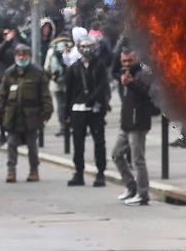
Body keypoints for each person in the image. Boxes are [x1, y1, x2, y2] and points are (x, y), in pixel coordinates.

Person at [0, 43, 52, 183]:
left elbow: (45, 95)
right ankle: (11, 171)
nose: (21, 57)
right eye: (19, 55)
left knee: (32, 146)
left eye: (24, 55)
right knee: (12, 144)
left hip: (31, 115)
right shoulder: (9, 73)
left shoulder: (37, 73)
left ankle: (34, 171)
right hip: (13, 115)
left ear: (29, 56)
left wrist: (46, 113)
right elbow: (2, 94)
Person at [113, 48, 158, 205]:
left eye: (129, 61)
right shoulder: (124, 72)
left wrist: (131, 84)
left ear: (136, 58)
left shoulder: (144, 73)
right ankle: (131, 187)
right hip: (126, 122)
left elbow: (148, 93)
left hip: (138, 122)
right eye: (124, 61)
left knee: (138, 159)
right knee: (116, 154)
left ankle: (142, 193)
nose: (126, 64)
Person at [65, 36, 111, 187]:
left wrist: (94, 99)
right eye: (83, 46)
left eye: (89, 46)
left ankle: (100, 173)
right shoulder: (74, 68)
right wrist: (67, 113)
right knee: (78, 143)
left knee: (99, 142)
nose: (86, 49)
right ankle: (79, 172)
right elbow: (69, 92)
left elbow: (103, 85)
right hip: (78, 109)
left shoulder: (100, 65)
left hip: (95, 109)